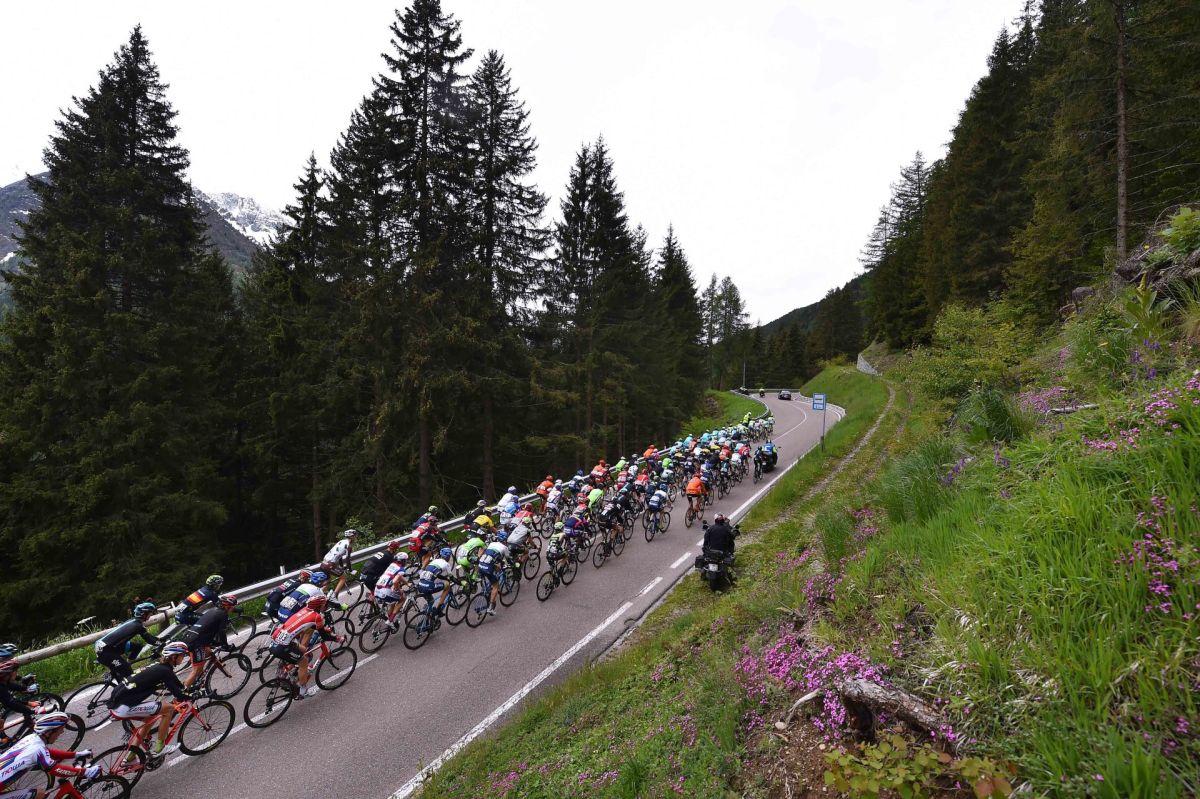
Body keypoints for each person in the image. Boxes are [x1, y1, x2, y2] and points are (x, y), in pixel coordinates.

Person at [107, 641, 195, 757]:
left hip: (116, 703)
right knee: (169, 709)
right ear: (174, 657)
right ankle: (160, 748)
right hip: (123, 707)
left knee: (150, 719)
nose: (184, 658)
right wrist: (193, 695)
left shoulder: (159, 665)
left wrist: (190, 688)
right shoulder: (165, 671)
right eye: (183, 655)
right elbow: (179, 695)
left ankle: (130, 757)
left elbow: (178, 684)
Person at [0, 712, 100, 793]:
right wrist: (85, 772)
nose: (62, 733)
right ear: (48, 732)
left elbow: (48, 752)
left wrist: (76, 754)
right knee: (39, 794)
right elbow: (56, 770)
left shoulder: (32, 738)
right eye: (60, 730)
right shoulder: (37, 750)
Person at [267, 596, 343, 698]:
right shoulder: (317, 616)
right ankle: (303, 691)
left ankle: (286, 673)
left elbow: (313, 626)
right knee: (303, 661)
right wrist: (337, 639)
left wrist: (325, 630)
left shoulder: (305, 610)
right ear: (319, 606)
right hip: (282, 646)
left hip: (276, 640)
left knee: (304, 650)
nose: (325, 606)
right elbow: (324, 636)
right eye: (324, 605)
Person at [180, 595, 237, 688]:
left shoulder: (212, 610)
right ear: (228, 607)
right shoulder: (223, 615)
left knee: (209, 653)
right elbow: (222, 632)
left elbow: (206, 627)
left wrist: (215, 643)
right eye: (233, 607)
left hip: (189, 636)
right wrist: (226, 646)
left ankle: (198, 684)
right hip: (196, 642)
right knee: (197, 670)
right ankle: (182, 694)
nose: (233, 609)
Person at [94, 602, 160, 680]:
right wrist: (161, 643)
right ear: (144, 614)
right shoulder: (138, 625)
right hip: (105, 650)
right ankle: (123, 672)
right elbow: (149, 639)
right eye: (150, 613)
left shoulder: (133, 621)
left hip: (110, 646)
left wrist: (160, 640)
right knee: (129, 675)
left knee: (137, 647)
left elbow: (150, 638)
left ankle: (126, 665)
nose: (150, 615)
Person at [415, 547, 458, 616]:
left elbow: (436, 574)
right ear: (448, 557)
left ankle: (428, 616)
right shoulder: (446, 564)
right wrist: (460, 583)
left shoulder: (435, 560)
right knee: (447, 585)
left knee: (431, 601)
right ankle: (439, 609)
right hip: (428, 587)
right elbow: (452, 578)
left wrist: (445, 578)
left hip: (420, 585)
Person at [476, 532, 511, 615]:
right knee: (496, 585)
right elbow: (508, 559)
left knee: (497, 569)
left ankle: (487, 589)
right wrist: (512, 565)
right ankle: (490, 608)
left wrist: (500, 562)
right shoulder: (504, 547)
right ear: (505, 540)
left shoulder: (492, 543)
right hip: (488, 567)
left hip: (480, 565)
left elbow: (491, 554)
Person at [321, 529, 357, 595]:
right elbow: (348, 559)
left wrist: (341, 566)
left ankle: (319, 593)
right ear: (351, 536)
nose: (356, 537)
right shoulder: (349, 546)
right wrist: (350, 570)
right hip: (330, 564)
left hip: (324, 563)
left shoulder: (341, 541)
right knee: (344, 577)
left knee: (328, 581)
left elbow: (339, 555)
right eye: (355, 535)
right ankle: (334, 596)